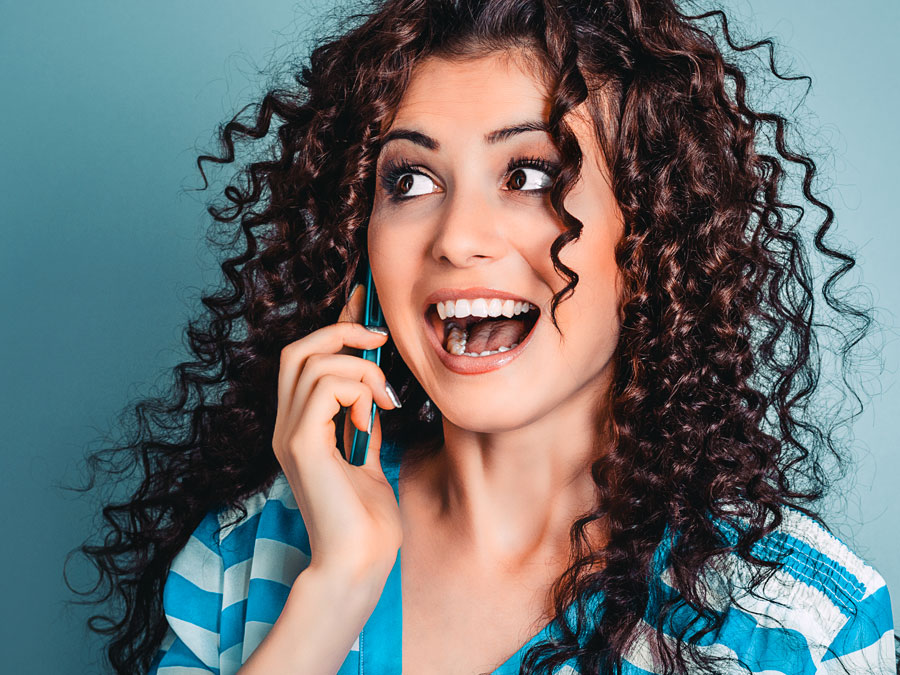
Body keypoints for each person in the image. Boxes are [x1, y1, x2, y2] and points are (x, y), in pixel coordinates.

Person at [69, 0, 897, 673]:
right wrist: (335, 588)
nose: (457, 238)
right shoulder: (243, 563)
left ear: (651, 234)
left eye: (531, 174)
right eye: (412, 180)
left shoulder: (799, 625)